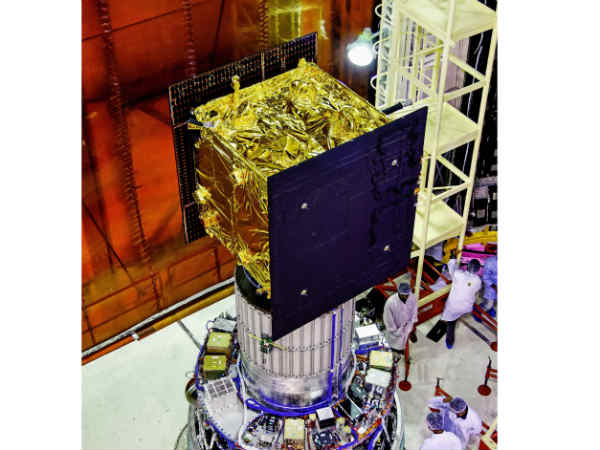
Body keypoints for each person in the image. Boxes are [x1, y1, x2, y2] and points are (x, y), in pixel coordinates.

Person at [441, 259, 482, 349]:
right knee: (458, 312)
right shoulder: (478, 280)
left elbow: (451, 269)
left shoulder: (458, 274)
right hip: (467, 307)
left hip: (454, 306)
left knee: (451, 322)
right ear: (478, 270)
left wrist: (453, 259)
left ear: (467, 266)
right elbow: (474, 289)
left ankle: (449, 342)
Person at [383, 282, 418, 356]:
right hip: (396, 328)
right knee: (395, 342)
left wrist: (412, 326)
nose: (407, 297)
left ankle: (401, 349)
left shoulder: (412, 298)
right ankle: (395, 349)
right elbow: (388, 318)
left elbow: (414, 311)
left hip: (407, 325)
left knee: (403, 341)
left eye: (407, 295)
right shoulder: (391, 302)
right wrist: (394, 330)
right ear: (399, 293)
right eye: (404, 295)